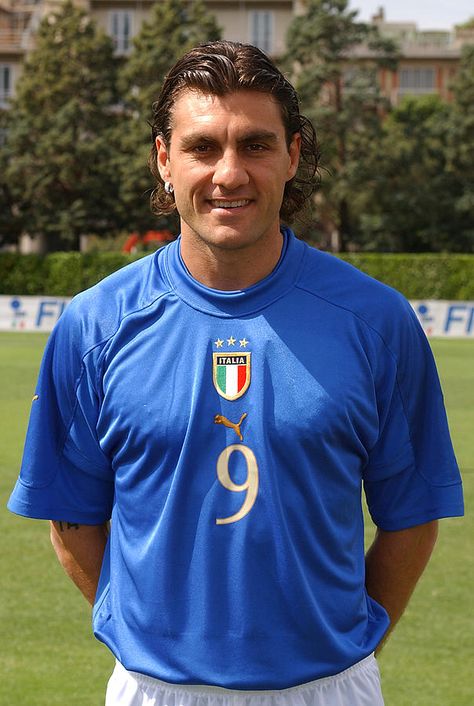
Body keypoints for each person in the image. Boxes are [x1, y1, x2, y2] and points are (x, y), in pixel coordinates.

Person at [8, 41, 464, 706]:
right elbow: (71, 517)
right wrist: (145, 636)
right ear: (164, 160)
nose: (229, 173)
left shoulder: (377, 321)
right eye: (202, 147)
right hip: (153, 688)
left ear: (293, 157)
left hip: (329, 687)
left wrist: (343, 650)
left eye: (255, 144)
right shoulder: (95, 324)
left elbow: (412, 517)